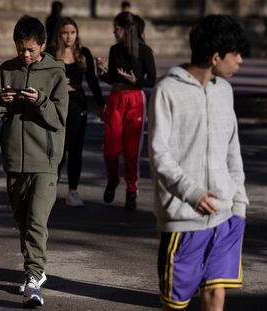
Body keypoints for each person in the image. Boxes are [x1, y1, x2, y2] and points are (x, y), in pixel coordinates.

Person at [148, 15, 249, 310]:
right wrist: (192, 193)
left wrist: (239, 204)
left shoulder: (225, 91)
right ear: (216, 57)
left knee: (217, 294)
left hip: (227, 215)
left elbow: (233, 150)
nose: (241, 61)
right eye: (237, 54)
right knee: (176, 303)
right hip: (183, 219)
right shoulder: (167, 90)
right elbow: (159, 153)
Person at [0, 15, 68, 307]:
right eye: (21, 49)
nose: (25, 55)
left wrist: (41, 101)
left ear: (43, 45)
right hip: (14, 159)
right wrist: (0, 102)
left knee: (36, 221)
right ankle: (34, 270)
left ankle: (33, 278)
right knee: (22, 221)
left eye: (31, 49)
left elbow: (60, 120)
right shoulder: (6, 69)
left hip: (45, 160)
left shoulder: (56, 71)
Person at [96, 11, 156, 210]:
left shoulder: (144, 51)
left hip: (135, 100)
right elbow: (113, 78)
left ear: (127, 29)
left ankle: (132, 190)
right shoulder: (115, 50)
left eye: (117, 28)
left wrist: (135, 81)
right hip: (116, 99)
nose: (114, 31)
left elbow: (152, 80)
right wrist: (102, 71)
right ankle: (113, 179)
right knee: (110, 149)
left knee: (131, 152)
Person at [46, 17, 105, 207]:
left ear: (77, 33)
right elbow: (42, 80)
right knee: (57, 150)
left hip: (77, 107)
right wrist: (59, 85)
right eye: (65, 32)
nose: (69, 36)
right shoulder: (50, 53)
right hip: (56, 107)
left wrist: (101, 104)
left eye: (72, 32)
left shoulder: (83, 53)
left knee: (75, 150)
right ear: (58, 34)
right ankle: (49, 188)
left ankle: (73, 191)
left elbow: (92, 82)